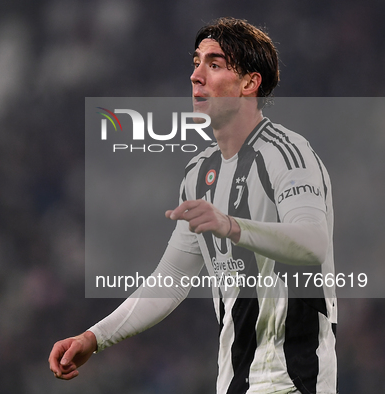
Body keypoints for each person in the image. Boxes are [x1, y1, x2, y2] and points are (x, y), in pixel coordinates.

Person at [49, 17, 337, 394]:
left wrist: (231, 226)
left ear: (250, 83)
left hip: (295, 379)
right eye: (196, 62)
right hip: (234, 383)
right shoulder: (200, 173)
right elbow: (172, 278)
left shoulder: (286, 154)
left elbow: (313, 242)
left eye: (214, 65)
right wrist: (94, 337)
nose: (196, 76)